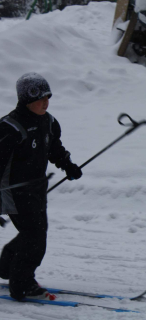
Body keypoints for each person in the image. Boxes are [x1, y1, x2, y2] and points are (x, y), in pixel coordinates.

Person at [0, 72, 82, 301]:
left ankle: (6, 265)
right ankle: (21, 284)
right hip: (14, 192)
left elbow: (53, 147)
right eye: (40, 98)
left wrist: (68, 165)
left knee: (33, 233)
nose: (45, 102)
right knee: (35, 237)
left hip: (36, 189)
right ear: (26, 100)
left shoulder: (49, 121)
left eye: (48, 97)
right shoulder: (10, 128)